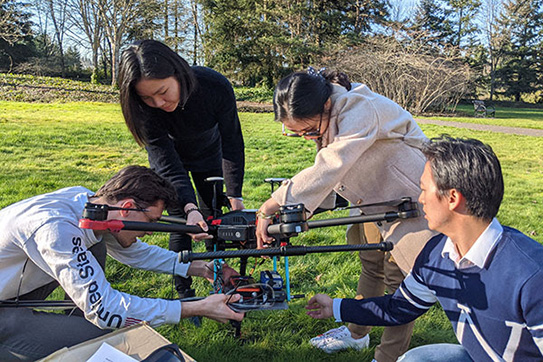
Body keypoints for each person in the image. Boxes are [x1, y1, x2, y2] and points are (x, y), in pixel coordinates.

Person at [306, 136, 543, 361]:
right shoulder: (437, 252)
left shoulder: (532, 275)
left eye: (424, 189)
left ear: (452, 198)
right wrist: (336, 307)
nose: (420, 199)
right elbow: (398, 308)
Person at [255, 68, 436, 361]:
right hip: (372, 200)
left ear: (326, 105)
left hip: (409, 199)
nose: (307, 137)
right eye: (297, 132)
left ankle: (386, 357)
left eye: (310, 130)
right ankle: (357, 334)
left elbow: (332, 164)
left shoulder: (361, 108)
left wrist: (273, 203)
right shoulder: (329, 115)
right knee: (370, 263)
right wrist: (297, 209)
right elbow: (331, 178)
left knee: (399, 283)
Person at [0, 165, 244, 361]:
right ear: (127, 207)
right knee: (101, 340)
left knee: (96, 243)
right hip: (5, 310)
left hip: (12, 290)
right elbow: (107, 310)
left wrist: (201, 268)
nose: (149, 231)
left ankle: (69, 321)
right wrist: (195, 307)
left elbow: (135, 253)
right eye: (151, 221)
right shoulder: (55, 228)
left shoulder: (86, 202)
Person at [118, 39, 245, 299]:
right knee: (180, 223)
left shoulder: (214, 85)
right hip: (170, 161)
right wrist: (189, 207)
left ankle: (219, 280)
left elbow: (232, 140)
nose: (158, 102)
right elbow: (165, 159)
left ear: (178, 73)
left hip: (209, 154)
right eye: (147, 97)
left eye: (163, 91)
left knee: (212, 219)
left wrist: (235, 194)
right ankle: (184, 291)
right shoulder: (143, 110)